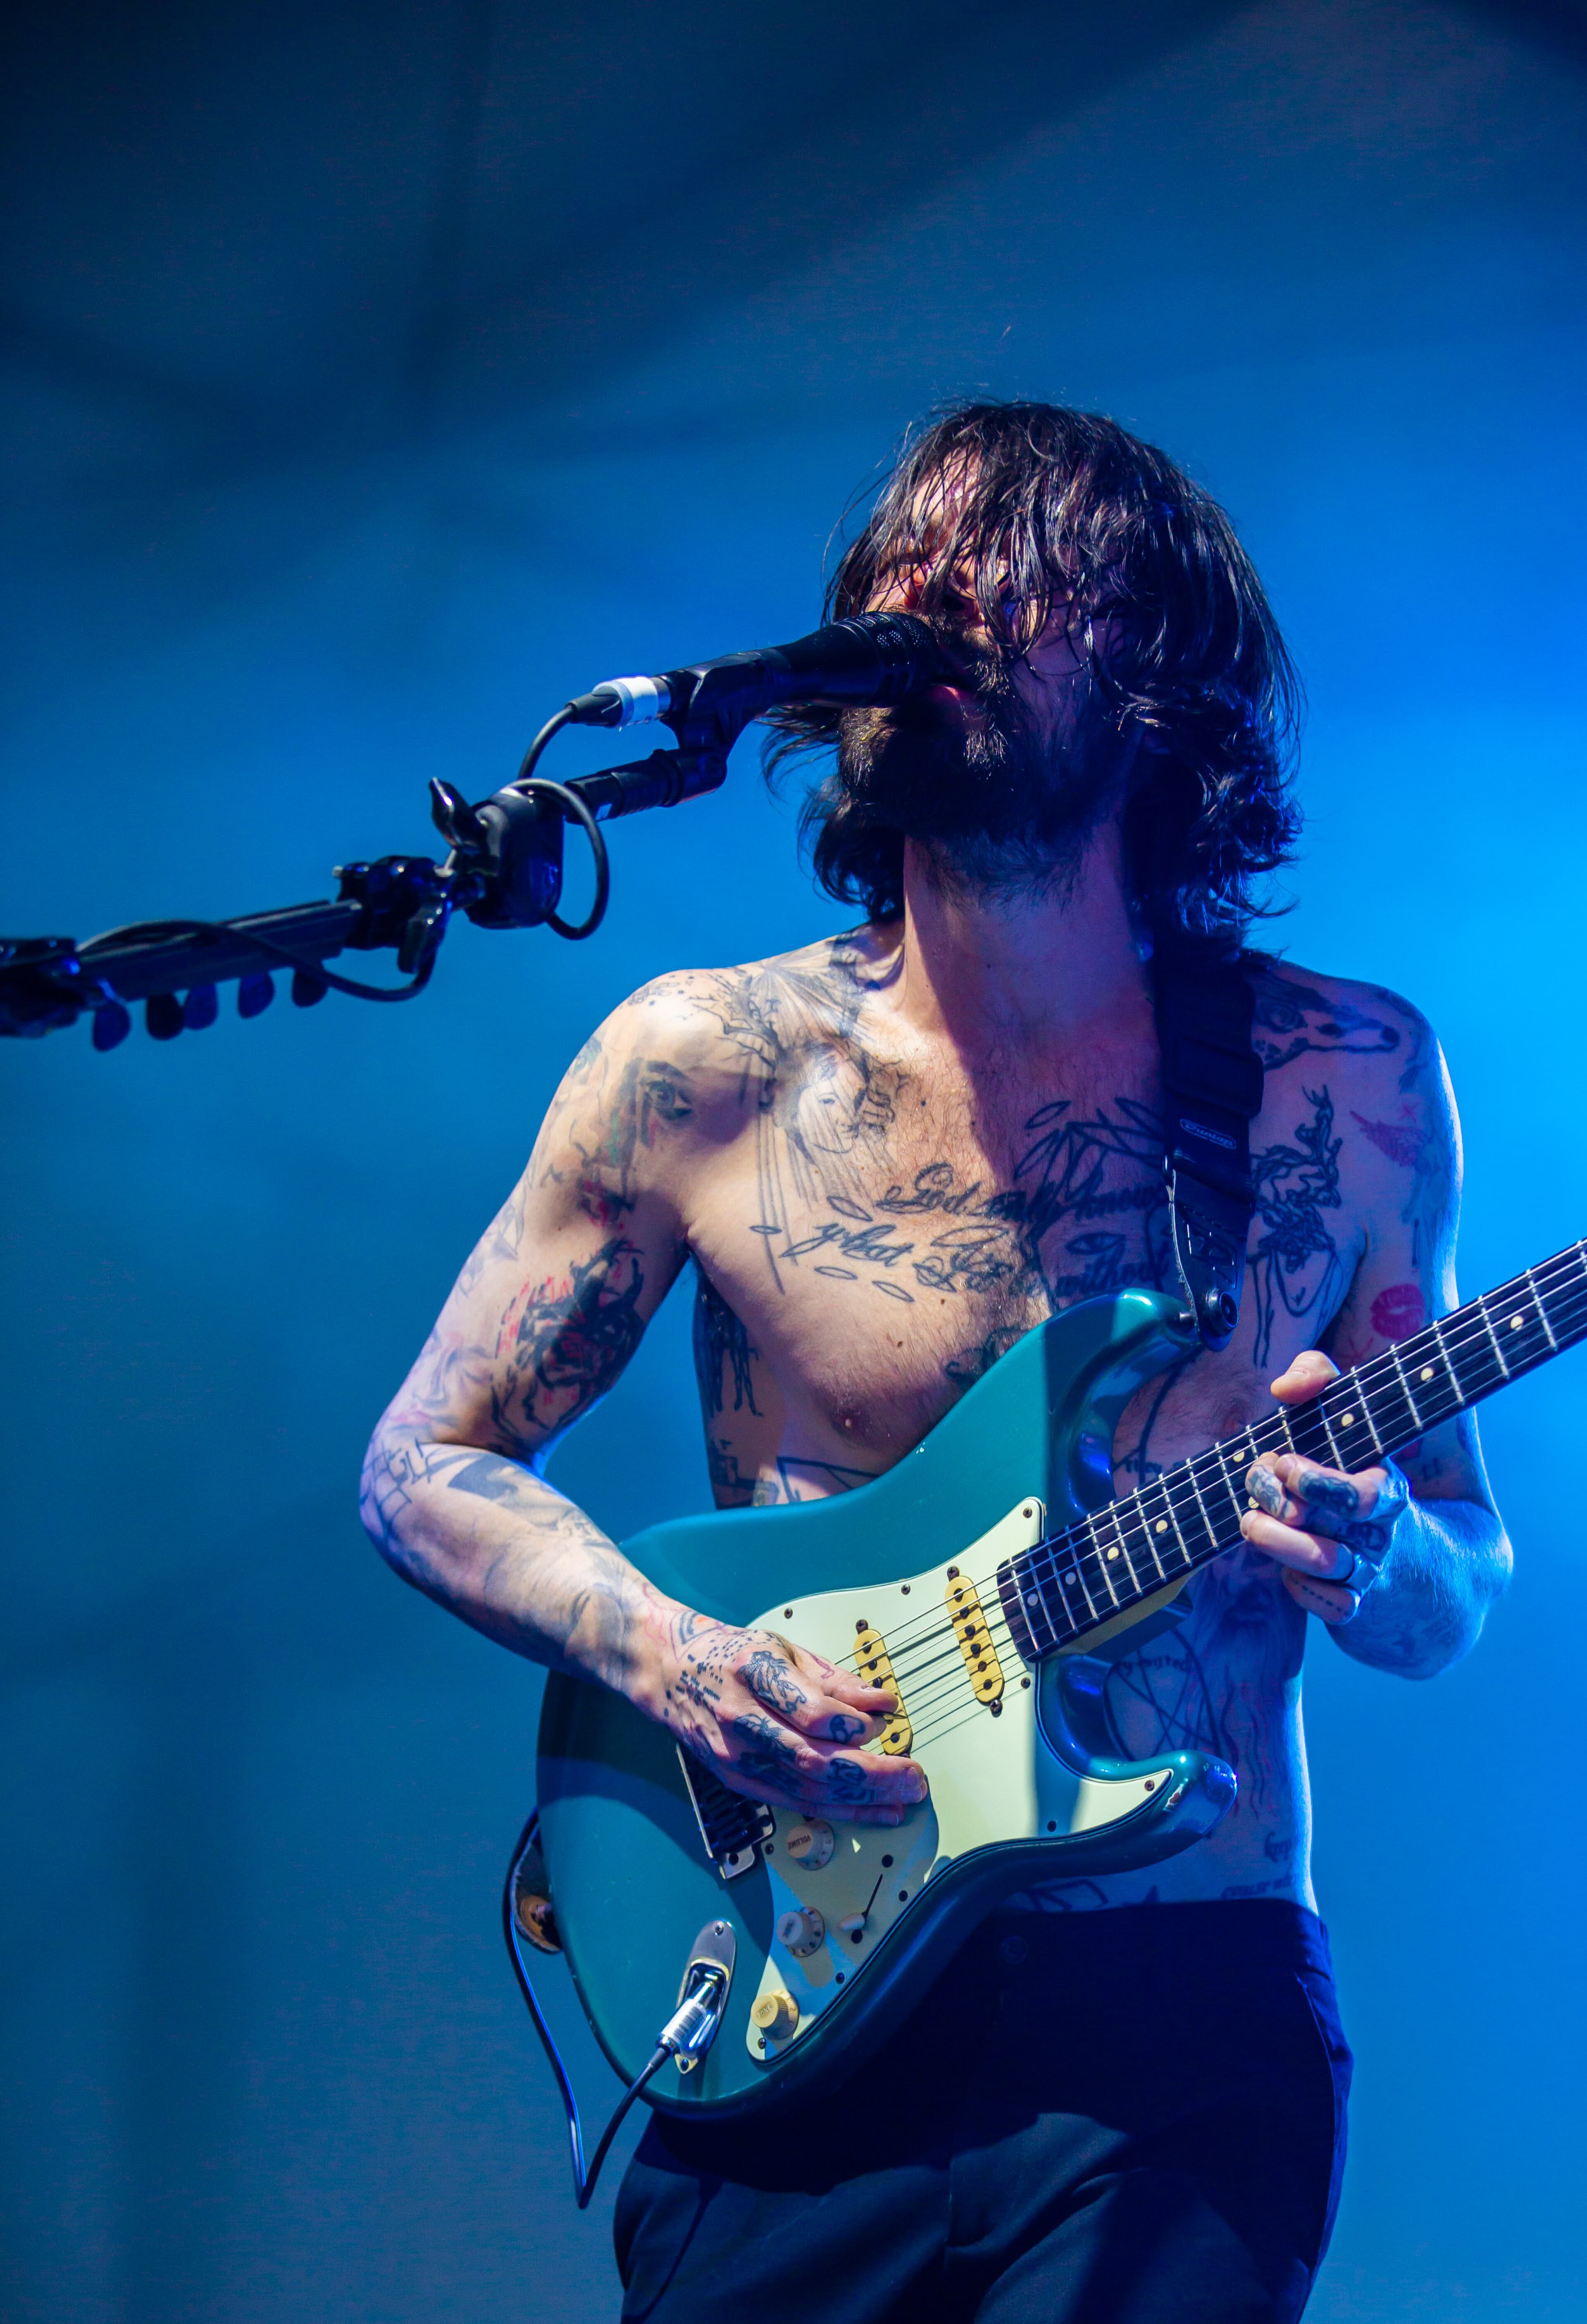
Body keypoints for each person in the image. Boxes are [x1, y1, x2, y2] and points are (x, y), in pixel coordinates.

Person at [361, 401, 1510, 2321]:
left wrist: (1379, 1550)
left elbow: (1459, 1580)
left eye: (1001, 569)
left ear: (1150, 672)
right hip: (785, 1987)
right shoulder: (707, 1069)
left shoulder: (1351, 1085)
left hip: (1178, 2020)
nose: (925, 596)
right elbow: (421, 1467)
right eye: (901, 562)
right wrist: (674, 1654)